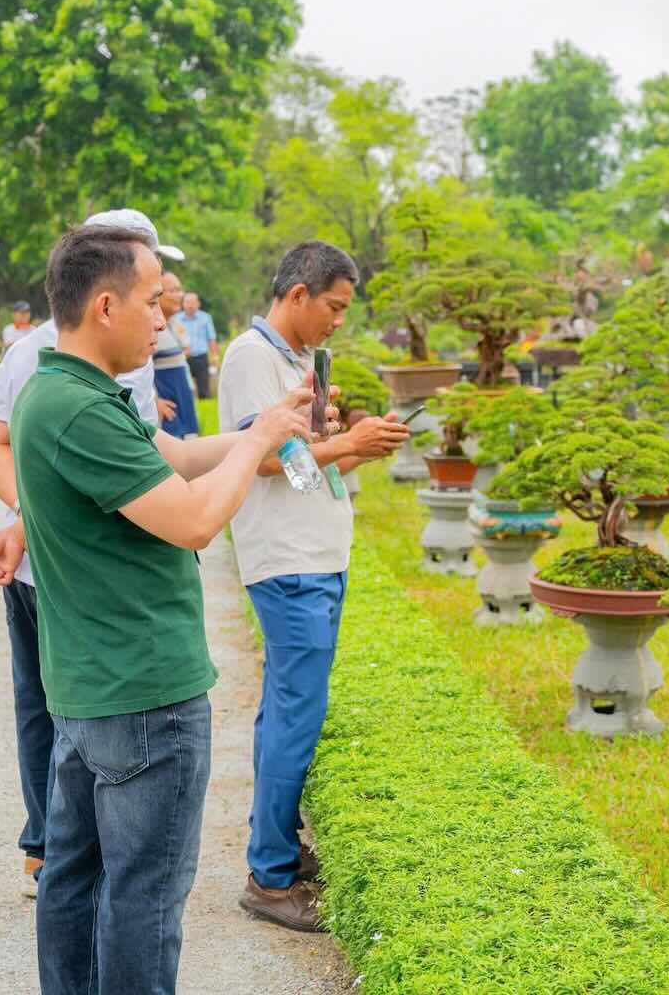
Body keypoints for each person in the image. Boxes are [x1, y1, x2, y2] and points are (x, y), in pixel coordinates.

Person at [0, 222, 322, 995]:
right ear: (105, 306)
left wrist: (260, 437)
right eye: (152, 303)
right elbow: (195, 518)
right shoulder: (80, 408)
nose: (163, 320)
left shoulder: (61, 392)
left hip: (92, 688)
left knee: (75, 876)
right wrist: (259, 436)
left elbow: (178, 459)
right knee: (142, 898)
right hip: (143, 696)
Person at [0, 209, 175, 896]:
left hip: (37, 553)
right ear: (106, 288)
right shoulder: (90, 354)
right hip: (69, 564)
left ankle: (50, 852)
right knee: (71, 709)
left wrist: (31, 516)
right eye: (147, 281)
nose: (159, 309)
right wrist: (41, 512)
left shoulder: (40, 349)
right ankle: (65, 853)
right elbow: (115, 469)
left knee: (46, 703)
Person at [219, 240, 409, 932]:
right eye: (332, 307)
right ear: (298, 294)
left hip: (313, 554)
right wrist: (350, 445)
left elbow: (304, 467)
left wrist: (350, 445)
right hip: (290, 563)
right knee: (297, 717)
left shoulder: (295, 361)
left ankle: (276, 850)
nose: (337, 322)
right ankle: (268, 881)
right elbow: (264, 458)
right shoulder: (252, 357)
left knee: (285, 714)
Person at [153, 273, 199, 438]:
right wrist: (154, 400)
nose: (179, 295)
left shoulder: (175, 324)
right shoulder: (151, 329)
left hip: (184, 403)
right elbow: (139, 371)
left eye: (180, 290)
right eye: (172, 290)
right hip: (169, 413)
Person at [175, 291, 217, 398]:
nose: (190, 305)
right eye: (187, 302)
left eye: (193, 302)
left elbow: (211, 339)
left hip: (200, 358)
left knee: (204, 391)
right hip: (182, 358)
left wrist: (214, 357)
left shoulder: (206, 318)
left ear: (198, 303)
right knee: (183, 390)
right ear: (183, 304)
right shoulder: (176, 319)